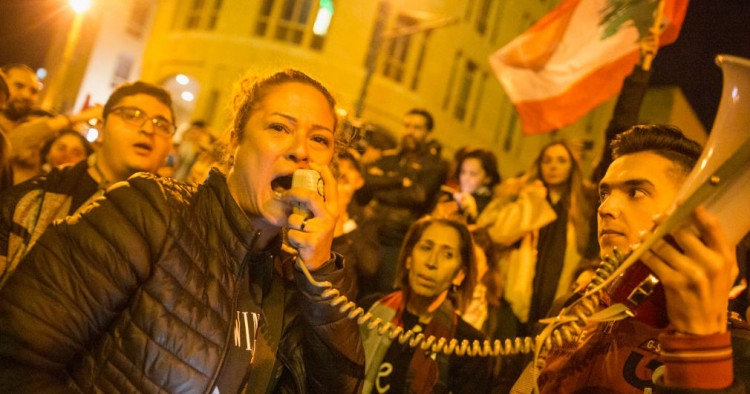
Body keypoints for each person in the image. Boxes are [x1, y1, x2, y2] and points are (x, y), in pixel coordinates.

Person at [0, 69, 365, 392]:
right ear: (236, 139)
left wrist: (320, 275)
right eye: (279, 127)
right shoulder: (149, 210)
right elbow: (16, 357)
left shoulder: (298, 280)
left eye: (320, 139)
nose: (301, 150)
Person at [516, 125, 749, 393]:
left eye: (635, 192)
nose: (605, 208)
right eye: (605, 194)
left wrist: (701, 348)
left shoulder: (735, 348)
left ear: (693, 214)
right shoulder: (570, 310)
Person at [0, 81, 174, 288]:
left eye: (162, 125)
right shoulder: (29, 200)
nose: (148, 129)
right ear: (101, 126)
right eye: (132, 115)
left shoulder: (169, 235)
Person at [476, 140, 599, 334]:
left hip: (555, 301)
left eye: (561, 161)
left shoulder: (580, 208)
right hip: (512, 300)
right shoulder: (520, 194)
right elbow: (498, 234)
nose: (553, 166)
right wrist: (532, 200)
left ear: (572, 167)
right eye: (547, 160)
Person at [360, 216, 492, 393]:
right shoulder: (371, 309)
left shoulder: (469, 346)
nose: (431, 262)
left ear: (460, 275)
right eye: (426, 247)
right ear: (408, 258)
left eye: (447, 254)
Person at [358, 108, 448, 295]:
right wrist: (399, 181)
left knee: (382, 292)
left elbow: (417, 196)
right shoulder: (389, 158)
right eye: (407, 125)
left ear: (428, 133)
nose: (410, 131)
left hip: (398, 240)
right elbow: (366, 183)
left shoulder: (434, 165)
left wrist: (382, 187)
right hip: (370, 232)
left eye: (417, 128)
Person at [433, 147, 501, 224]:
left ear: (488, 178)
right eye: (463, 172)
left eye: (473, 174)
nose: (466, 178)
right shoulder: (453, 195)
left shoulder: (490, 206)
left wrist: (473, 215)